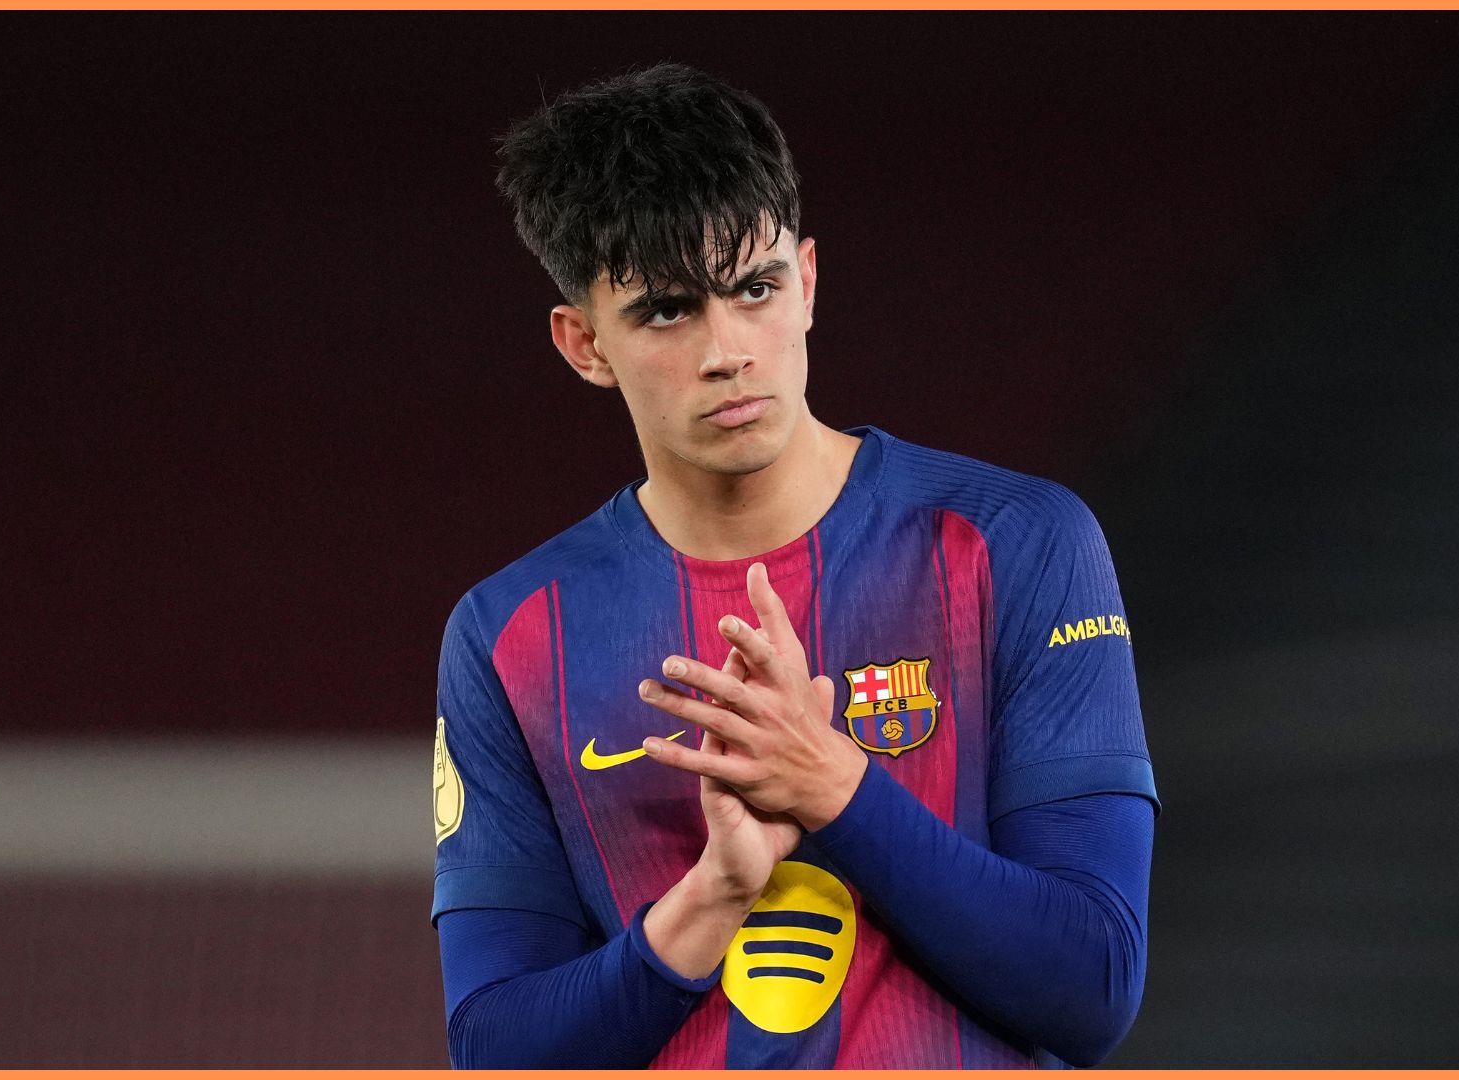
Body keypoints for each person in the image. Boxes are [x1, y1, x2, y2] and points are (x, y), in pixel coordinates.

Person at [432, 62, 1158, 1069]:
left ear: (808, 282)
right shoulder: (513, 635)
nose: (729, 349)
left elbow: (1094, 985)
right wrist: (710, 899)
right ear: (583, 343)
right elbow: (498, 1052)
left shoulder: (1016, 542)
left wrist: (834, 788)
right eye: (667, 311)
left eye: (755, 289)